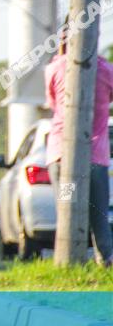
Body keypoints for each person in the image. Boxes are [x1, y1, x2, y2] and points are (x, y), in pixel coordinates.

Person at [45, 26, 113, 266]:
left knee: (66, 210)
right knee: (99, 216)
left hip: (60, 157)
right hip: (96, 158)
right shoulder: (106, 69)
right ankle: (105, 261)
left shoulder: (54, 68)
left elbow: (52, 103)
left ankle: (68, 264)